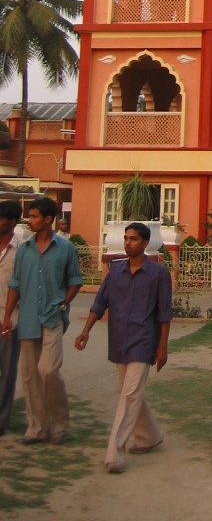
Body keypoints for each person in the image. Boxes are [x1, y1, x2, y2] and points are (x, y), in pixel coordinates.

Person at [75, 222, 172, 473]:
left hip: (144, 341)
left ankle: (114, 452)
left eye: (134, 239)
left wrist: (162, 346)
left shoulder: (158, 274)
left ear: (145, 243)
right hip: (119, 340)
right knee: (131, 392)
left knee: (129, 395)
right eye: (126, 238)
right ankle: (149, 436)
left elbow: (164, 313)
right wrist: (85, 331)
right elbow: (99, 304)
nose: (128, 243)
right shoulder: (115, 272)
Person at [1, 196, 83, 444]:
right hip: (26, 319)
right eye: (30, 216)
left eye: (35, 217)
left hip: (52, 317)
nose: (31, 221)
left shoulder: (65, 248)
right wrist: (7, 317)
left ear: (49, 220)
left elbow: (75, 281)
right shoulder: (24, 250)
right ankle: (36, 426)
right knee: (29, 375)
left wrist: (63, 304)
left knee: (48, 370)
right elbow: (15, 285)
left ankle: (58, 423)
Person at [0, 200, 22, 436]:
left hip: (10, 318)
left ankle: (2, 420)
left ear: (12, 222)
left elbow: (22, 287)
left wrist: (7, 317)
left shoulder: (22, 250)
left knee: (6, 372)